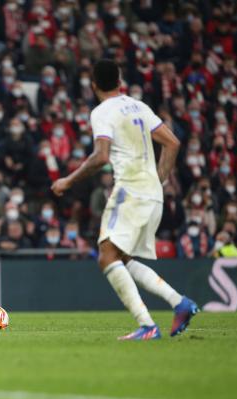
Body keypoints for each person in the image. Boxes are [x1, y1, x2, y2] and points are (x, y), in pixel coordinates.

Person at [52, 59, 199, 341]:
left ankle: (147, 325)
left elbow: (101, 156)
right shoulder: (139, 106)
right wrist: (159, 179)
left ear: (93, 84)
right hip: (152, 193)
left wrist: (67, 181)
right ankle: (180, 303)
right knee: (123, 256)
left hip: (129, 190)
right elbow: (173, 143)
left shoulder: (102, 112)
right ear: (119, 81)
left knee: (107, 256)